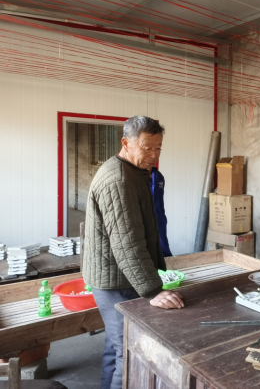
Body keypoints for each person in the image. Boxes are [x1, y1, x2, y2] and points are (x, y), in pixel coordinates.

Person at [83, 116, 184, 389]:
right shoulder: (119, 180)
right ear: (126, 143)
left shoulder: (133, 171)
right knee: (128, 351)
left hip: (120, 276)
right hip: (116, 282)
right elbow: (128, 243)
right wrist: (153, 291)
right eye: (146, 148)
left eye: (158, 148)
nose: (153, 155)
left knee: (115, 347)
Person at [150, 166, 173, 257]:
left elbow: (158, 200)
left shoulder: (158, 176)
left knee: (163, 246)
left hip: (159, 218)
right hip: (144, 219)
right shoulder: (135, 177)